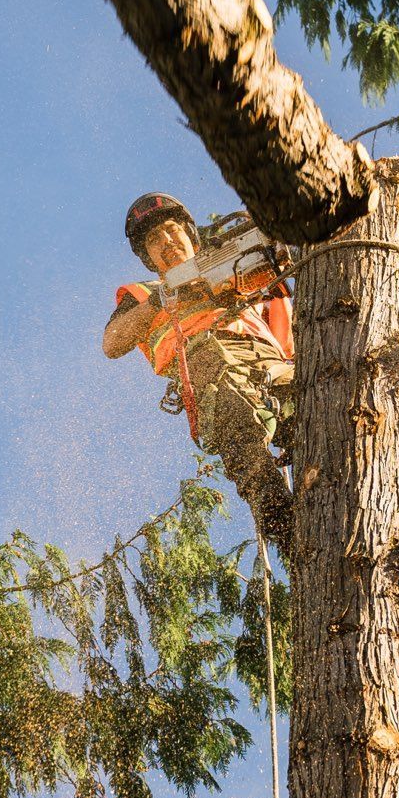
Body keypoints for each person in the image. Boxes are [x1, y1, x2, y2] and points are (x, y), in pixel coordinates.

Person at [103, 193, 294, 555]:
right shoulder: (143, 295)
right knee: (237, 423)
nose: (166, 242)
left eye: (171, 231)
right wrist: (163, 299)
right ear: (148, 258)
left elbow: (282, 290)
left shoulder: (237, 265)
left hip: (269, 362)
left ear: (191, 234)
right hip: (207, 364)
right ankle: (287, 528)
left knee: (319, 408)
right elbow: (112, 343)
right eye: (154, 240)